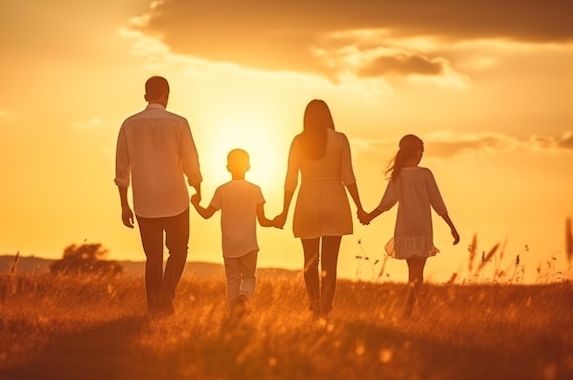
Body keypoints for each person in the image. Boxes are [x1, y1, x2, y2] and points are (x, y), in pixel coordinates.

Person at [115, 76, 202, 318]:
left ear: (145, 96)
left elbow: (122, 168)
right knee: (179, 251)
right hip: (176, 200)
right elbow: (190, 163)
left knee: (153, 258)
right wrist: (197, 186)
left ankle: (155, 308)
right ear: (167, 95)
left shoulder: (129, 125)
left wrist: (124, 204)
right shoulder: (179, 123)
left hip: (145, 203)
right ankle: (167, 292)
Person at [273, 99, 366, 317]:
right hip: (334, 200)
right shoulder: (340, 139)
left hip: (306, 202)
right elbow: (347, 176)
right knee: (330, 263)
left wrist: (284, 212)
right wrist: (360, 207)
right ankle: (325, 307)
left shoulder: (298, 141)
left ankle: (314, 303)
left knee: (310, 261)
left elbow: (290, 180)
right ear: (327, 115)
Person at [362, 134, 460, 315]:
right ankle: (411, 311)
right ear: (416, 152)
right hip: (421, 230)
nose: (422, 155)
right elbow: (437, 202)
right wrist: (452, 227)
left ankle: (414, 311)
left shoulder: (397, 176)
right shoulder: (425, 174)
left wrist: (369, 217)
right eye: (421, 151)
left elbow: (386, 204)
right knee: (417, 275)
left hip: (405, 230)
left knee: (414, 275)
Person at [191, 149, 274, 311]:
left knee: (232, 280)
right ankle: (243, 298)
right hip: (249, 244)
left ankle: (232, 314)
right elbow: (263, 221)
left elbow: (207, 214)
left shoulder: (222, 190)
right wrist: (276, 222)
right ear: (248, 166)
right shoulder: (255, 189)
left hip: (229, 245)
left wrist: (195, 203)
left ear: (228, 167)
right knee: (249, 278)